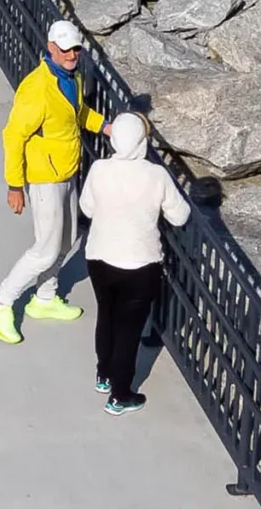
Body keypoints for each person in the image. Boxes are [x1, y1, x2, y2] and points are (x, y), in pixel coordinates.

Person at [0, 18, 104, 345]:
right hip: (44, 177)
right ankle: (1, 302)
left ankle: (45, 298)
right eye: (66, 49)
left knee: (67, 240)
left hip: (66, 171)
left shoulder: (71, 78)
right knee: (45, 250)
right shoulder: (37, 89)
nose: (72, 54)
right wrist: (15, 186)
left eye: (76, 48)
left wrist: (106, 127)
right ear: (51, 48)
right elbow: (13, 136)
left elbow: (76, 114)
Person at [80, 111, 191, 414]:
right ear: (142, 141)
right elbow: (179, 216)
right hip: (140, 264)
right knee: (129, 330)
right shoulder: (155, 175)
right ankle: (120, 394)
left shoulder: (100, 168)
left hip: (100, 257)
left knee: (106, 316)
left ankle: (103, 374)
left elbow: (86, 207)